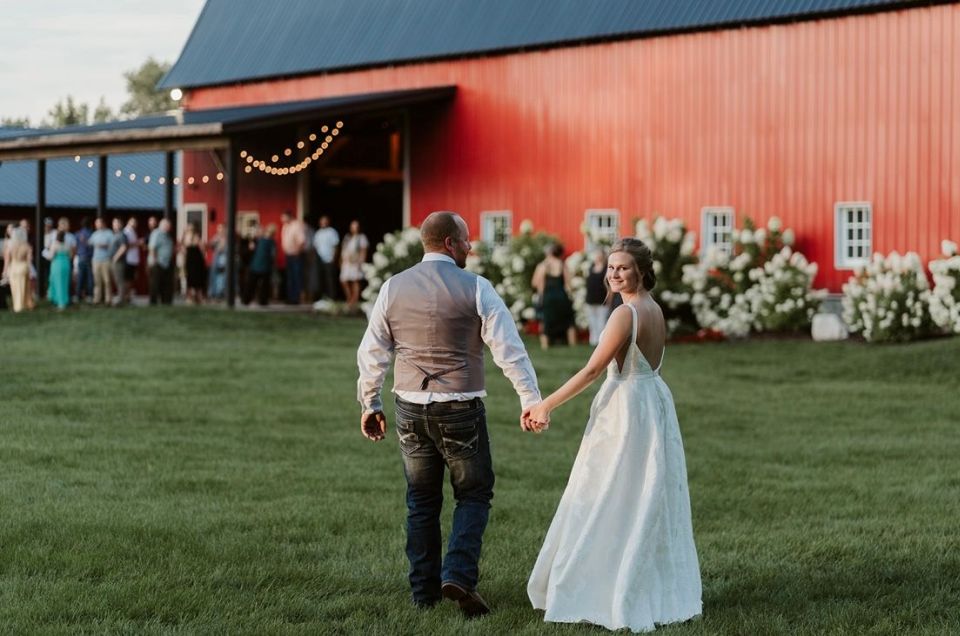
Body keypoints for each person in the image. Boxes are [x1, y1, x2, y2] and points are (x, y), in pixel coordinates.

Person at [357, 211, 542, 617]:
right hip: (461, 406)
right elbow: (508, 348)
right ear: (448, 244)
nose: (470, 247)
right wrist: (530, 398)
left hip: (409, 407)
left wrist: (370, 403)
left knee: (420, 501)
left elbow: (372, 352)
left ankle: (422, 593)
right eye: (466, 241)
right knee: (473, 494)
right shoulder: (476, 287)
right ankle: (457, 573)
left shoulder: (392, 288)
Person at [523, 238, 702, 633]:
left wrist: (544, 404)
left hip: (626, 408)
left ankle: (600, 585)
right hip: (652, 402)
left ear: (641, 270)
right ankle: (637, 578)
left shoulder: (626, 315)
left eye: (623, 267)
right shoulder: (654, 310)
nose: (615, 274)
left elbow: (590, 371)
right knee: (640, 492)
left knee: (605, 491)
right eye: (610, 267)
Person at [531, 243, 577, 349]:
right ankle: (573, 345)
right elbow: (568, 284)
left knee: (546, 321)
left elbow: (535, 283)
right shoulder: (562, 264)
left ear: (549, 253)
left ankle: (545, 346)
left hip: (548, 296)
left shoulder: (542, 265)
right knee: (569, 320)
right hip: (561, 296)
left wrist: (540, 297)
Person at [585, 248, 612, 346]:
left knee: (602, 322)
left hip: (602, 300)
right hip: (590, 299)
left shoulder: (606, 269)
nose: (597, 256)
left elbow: (609, 287)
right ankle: (593, 341)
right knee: (592, 322)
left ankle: (602, 342)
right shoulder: (591, 267)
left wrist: (609, 300)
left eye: (599, 254)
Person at [340, 219, 368, 311]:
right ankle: (349, 297)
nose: (354, 228)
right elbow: (343, 249)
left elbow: (363, 251)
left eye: (356, 226)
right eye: (352, 226)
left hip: (356, 262)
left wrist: (360, 262)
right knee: (344, 280)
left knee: (355, 280)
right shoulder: (347, 237)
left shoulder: (361, 237)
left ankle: (354, 300)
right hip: (346, 262)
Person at [280, 211, 306, 304]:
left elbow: (302, 241)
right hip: (288, 255)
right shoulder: (285, 226)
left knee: (296, 277)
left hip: (296, 255)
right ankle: (290, 297)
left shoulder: (297, 226)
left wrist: (297, 252)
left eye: (283, 217)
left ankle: (296, 298)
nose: (281, 219)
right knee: (290, 277)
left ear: (289, 216)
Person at [248, 225, 276, 306]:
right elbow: (273, 255)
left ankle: (250, 299)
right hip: (263, 266)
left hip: (258, 266)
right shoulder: (269, 242)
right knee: (262, 285)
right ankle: (262, 301)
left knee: (254, 284)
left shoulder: (260, 241)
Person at [313, 214, 339, 301]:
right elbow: (315, 246)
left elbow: (336, 246)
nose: (323, 222)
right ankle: (323, 297)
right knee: (321, 279)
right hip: (320, 260)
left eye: (325, 221)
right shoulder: (318, 233)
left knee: (330, 279)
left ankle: (332, 297)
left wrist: (333, 258)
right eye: (322, 221)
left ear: (328, 222)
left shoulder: (332, 232)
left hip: (329, 259)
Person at [6, 228, 33, 312]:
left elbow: (7, 260)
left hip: (13, 267)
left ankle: (17, 306)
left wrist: (5, 271)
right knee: (24, 287)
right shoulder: (27, 246)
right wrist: (30, 270)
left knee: (15, 288)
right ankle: (25, 304)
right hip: (23, 267)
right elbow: (29, 260)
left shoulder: (10, 246)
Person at [148, 219, 175, 305]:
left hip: (167, 263)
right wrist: (155, 261)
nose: (169, 228)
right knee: (155, 284)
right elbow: (152, 248)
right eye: (168, 226)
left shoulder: (167, 235)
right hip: (158, 263)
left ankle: (166, 302)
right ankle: (153, 303)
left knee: (167, 284)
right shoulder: (157, 233)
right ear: (162, 225)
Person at [89, 217, 115, 305]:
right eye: (96, 223)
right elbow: (90, 243)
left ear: (103, 224)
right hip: (96, 260)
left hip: (106, 260)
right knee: (97, 281)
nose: (97, 225)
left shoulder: (109, 233)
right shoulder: (95, 234)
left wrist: (105, 245)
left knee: (107, 281)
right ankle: (97, 299)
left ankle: (108, 299)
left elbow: (113, 245)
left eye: (98, 223)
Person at [47, 229, 73, 309]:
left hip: (57, 265)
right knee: (64, 283)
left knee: (57, 283)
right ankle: (65, 300)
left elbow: (51, 257)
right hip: (66, 264)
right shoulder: (67, 245)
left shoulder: (54, 244)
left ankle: (59, 302)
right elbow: (71, 256)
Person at [181, 223, 207, 304]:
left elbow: (202, 248)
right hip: (190, 260)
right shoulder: (185, 238)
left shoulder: (197, 237)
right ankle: (191, 297)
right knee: (190, 278)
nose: (190, 230)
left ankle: (198, 297)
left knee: (198, 279)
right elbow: (183, 250)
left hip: (197, 260)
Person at [75, 217, 94, 303]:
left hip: (80, 257)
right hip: (89, 258)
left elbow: (75, 246)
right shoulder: (91, 234)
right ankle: (89, 295)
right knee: (90, 278)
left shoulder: (78, 234)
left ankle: (78, 295)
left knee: (80, 277)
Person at [123, 217, 142, 302]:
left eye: (135, 222)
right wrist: (138, 242)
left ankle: (128, 296)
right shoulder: (126, 231)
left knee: (131, 279)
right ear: (128, 222)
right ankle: (125, 296)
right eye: (132, 222)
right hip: (128, 259)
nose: (134, 224)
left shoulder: (133, 231)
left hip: (133, 260)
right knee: (127, 279)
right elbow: (126, 245)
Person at [110, 218, 128, 305]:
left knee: (120, 280)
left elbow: (123, 247)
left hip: (119, 262)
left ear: (121, 225)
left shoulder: (121, 235)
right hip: (114, 261)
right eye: (114, 224)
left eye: (117, 223)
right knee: (117, 280)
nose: (115, 225)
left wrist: (115, 257)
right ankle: (120, 298)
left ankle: (121, 299)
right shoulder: (115, 234)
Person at [207, 225, 228, 299]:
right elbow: (210, 245)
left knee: (223, 277)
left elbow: (224, 248)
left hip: (224, 261)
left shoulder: (227, 238)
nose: (220, 230)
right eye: (219, 229)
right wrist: (215, 242)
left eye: (221, 229)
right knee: (216, 276)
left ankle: (221, 292)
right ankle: (214, 292)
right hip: (217, 261)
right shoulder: (216, 237)